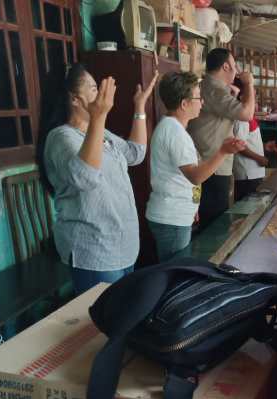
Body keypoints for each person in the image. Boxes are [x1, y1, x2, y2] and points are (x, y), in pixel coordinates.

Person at [37, 63, 158, 294]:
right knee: (102, 316)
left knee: (120, 313)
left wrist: (139, 106)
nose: (100, 93)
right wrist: (99, 117)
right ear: (75, 99)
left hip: (122, 245)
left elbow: (136, 154)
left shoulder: (99, 131)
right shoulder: (61, 137)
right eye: (93, 88)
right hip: (94, 250)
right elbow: (86, 177)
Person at [145, 71, 245, 262]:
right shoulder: (175, 132)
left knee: (177, 269)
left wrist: (192, 205)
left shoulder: (172, 128)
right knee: (176, 272)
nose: (202, 102)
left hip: (174, 214)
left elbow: (183, 176)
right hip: (172, 218)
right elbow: (195, 176)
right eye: (199, 98)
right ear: (184, 104)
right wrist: (223, 152)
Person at [187, 48, 256, 229]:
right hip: (212, 166)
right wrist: (249, 84)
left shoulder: (209, 87)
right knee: (214, 225)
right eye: (234, 65)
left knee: (209, 221)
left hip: (208, 163)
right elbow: (247, 114)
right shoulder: (214, 90)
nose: (236, 70)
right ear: (225, 66)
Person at [233, 116, 268, 201]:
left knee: (253, 205)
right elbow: (239, 146)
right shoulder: (242, 119)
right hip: (248, 175)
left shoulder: (248, 118)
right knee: (246, 206)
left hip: (253, 173)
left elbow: (248, 141)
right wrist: (259, 158)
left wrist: (264, 146)